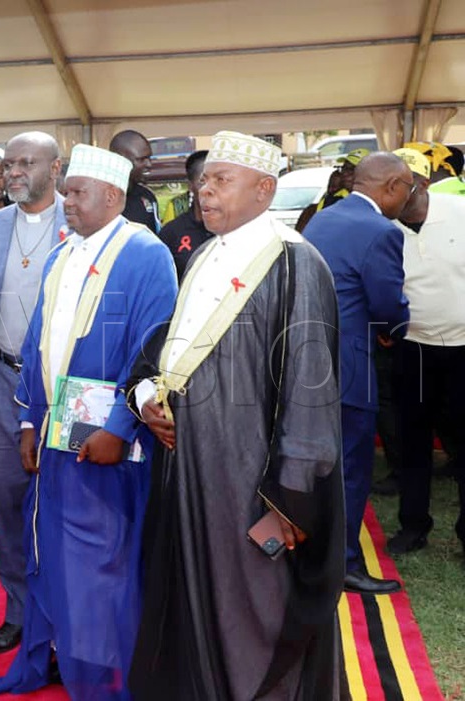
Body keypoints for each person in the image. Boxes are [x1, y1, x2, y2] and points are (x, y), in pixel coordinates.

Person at [127, 131, 346, 700]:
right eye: (204, 180)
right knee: (192, 609)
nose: (204, 191)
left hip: (250, 482)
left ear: (264, 189)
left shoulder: (296, 262)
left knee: (254, 623)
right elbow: (169, 347)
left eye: (222, 180)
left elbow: (311, 388)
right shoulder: (203, 253)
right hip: (188, 469)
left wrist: (289, 500)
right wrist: (149, 395)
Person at [0, 144, 178, 700]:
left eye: (76, 193)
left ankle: (107, 675)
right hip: (54, 436)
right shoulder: (64, 253)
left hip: (110, 445)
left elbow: (152, 351)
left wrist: (119, 427)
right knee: (55, 555)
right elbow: (36, 343)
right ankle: (61, 658)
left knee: (105, 560)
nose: (65, 202)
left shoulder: (146, 254)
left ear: (113, 196)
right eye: (66, 192)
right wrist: (26, 424)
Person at [0, 131, 65, 656]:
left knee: (65, 504)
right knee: (6, 500)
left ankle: (64, 619)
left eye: (27, 162)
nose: (14, 172)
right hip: (4, 382)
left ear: (56, 166)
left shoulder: (83, 220)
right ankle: (19, 612)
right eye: (9, 164)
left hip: (63, 389)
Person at [304, 151, 412, 595]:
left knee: (313, 467)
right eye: (408, 188)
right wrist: (394, 329)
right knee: (350, 468)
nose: (409, 198)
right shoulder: (382, 230)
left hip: (307, 361)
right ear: (389, 187)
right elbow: (388, 303)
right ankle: (343, 564)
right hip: (349, 367)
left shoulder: (322, 219)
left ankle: (309, 554)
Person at [387, 148, 465, 558]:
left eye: (399, 187)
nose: (391, 196)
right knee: (413, 443)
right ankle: (413, 526)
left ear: (422, 184)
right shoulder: (382, 227)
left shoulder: (458, 211)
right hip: (413, 349)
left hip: (463, 347)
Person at [157, 149, 212, 280]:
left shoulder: (234, 230)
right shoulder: (172, 232)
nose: (210, 189)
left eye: (218, 181)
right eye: (202, 182)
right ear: (190, 186)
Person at [109, 129, 160, 233]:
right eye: (141, 159)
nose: (149, 164)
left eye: (149, 158)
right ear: (120, 159)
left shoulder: (147, 196)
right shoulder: (99, 199)